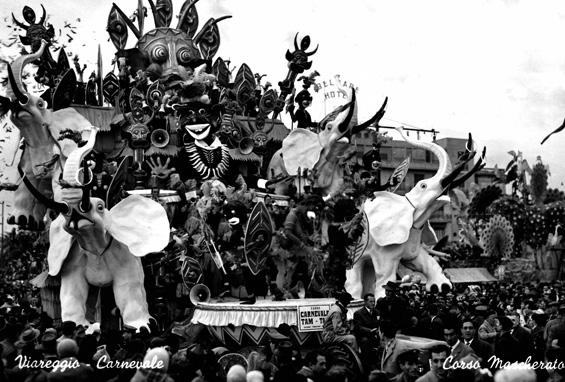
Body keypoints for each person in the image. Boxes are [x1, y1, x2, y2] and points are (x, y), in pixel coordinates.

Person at [353, 293, 379, 366]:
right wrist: (370, 331)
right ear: (365, 302)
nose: (373, 303)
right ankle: (366, 364)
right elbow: (358, 327)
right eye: (371, 301)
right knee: (365, 342)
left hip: (375, 335)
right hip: (363, 336)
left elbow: (379, 323)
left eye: (374, 301)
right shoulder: (358, 313)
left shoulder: (377, 312)